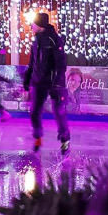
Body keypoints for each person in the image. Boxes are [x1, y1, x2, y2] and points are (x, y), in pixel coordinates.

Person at [22, 12, 70, 153]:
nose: (31, 26)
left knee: (59, 111)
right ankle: (38, 137)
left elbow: (60, 64)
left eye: (33, 24)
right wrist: (27, 82)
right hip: (39, 82)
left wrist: (56, 83)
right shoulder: (36, 41)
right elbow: (32, 64)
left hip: (55, 83)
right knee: (34, 111)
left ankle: (65, 139)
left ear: (40, 25)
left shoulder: (55, 40)